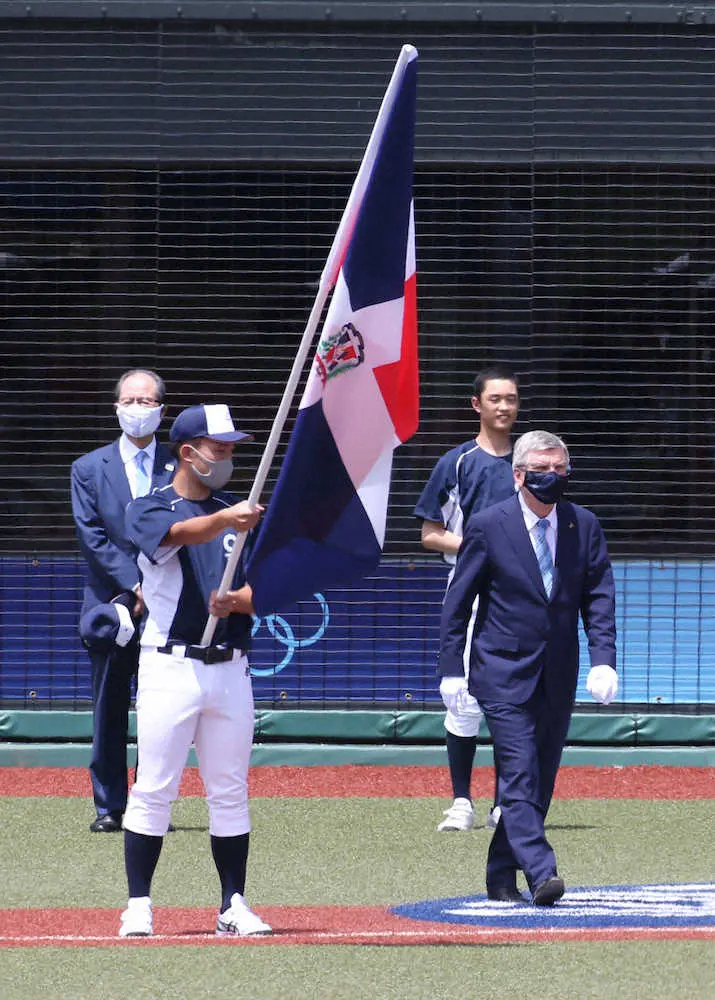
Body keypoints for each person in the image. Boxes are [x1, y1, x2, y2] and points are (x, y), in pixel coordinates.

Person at [439, 430, 618, 905]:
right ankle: (542, 872)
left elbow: (598, 597)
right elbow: (458, 603)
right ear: (519, 475)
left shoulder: (584, 525)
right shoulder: (487, 525)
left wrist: (603, 661)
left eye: (560, 468)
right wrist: (450, 669)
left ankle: (501, 875)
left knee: (539, 779)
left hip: (557, 673)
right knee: (518, 773)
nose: (553, 477)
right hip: (500, 670)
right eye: (542, 469)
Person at [117, 402, 271, 938]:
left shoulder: (238, 512)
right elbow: (178, 536)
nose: (228, 458)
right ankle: (139, 904)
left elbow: (264, 591)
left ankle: (233, 903)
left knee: (229, 789)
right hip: (169, 663)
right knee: (155, 786)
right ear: (188, 452)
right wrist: (226, 520)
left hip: (231, 667)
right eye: (219, 449)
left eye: (231, 450)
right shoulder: (151, 506)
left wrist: (239, 600)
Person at [414, 364, 519, 832]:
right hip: (471, 592)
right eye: (495, 398)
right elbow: (430, 534)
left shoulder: (534, 460)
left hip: (524, 596)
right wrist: (484, 549)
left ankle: (506, 803)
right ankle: (462, 801)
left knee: (514, 698)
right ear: (477, 405)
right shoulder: (455, 463)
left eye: (511, 399)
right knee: (462, 696)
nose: (504, 406)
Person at [71, 369, 175, 832]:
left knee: (162, 712)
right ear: (116, 407)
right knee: (109, 706)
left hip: (169, 605)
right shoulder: (89, 469)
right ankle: (109, 806)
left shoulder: (181, 465)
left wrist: (155, 588)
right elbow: (92, 538)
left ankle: (150, 806)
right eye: (130, 400)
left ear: (162, 409)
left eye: (146, 400)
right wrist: (136, 585)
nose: (138, 408)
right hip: (112, 606)